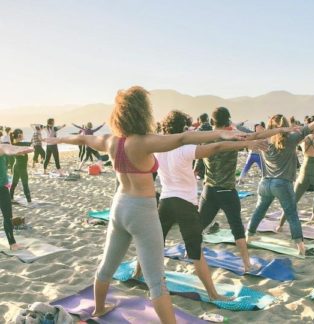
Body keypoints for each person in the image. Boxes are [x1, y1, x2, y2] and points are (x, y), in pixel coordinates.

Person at [45, 86, 250, 322]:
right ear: (143, 113)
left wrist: (58, 138)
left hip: (119, 206)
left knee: (106, 266)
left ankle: (99, 309)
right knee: (156, 281)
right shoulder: (144, 142)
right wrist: (220, 134)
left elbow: (81, 138)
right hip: (142, 210)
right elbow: (183, 138)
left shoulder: (110, 141)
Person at [135, 110, 267, 300]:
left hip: (165, 201)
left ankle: (137, 274)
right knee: (195, 252)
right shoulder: (186, 149)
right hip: (185, 204)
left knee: (154, 244)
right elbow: (217, 147)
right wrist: (247, 143)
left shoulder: (158, 149)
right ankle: (213, 294)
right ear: (183, 129)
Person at [198, 107, 299, 269]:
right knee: (237, 230)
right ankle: (246, 264)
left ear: (212, 122)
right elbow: (258, 135)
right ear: (228, 121)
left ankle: (189, 254)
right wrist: (282, 129)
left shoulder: (205, 138)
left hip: (209, 190)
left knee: (198, 227)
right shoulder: (234, 137)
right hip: (227, 191)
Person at [246, 113, 314, 255]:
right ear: (286, 127)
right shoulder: (290, 139)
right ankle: (301, 247)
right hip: (282, 183)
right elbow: (308, 128)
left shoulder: (264, 140)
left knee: (259, 211)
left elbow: (249, 136)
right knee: (292, 214)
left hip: (265, 183)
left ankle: (248, 237)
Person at [276, 114, 314, 229]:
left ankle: (280, 225)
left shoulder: (303, 139)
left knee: (292, 200)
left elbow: (292, 134)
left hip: (304, 172)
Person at [0, 143, 33, 250]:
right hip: (2, 188)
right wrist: (18, 150)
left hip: (3, 187)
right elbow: (8, 149)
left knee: (8, 216)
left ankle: (12, 244)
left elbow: (9, 148)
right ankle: (12, 244)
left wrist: (20, 149)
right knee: (7, 216)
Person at [9, 129, 33, 203]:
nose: (23, 135)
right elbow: (31, 144)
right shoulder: (21, 144)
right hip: (21, 167)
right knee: (25, 184)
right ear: (19, 135)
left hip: (16, 166)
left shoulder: (14, 144)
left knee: (14, 183)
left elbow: (30, 143)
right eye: (22, 134)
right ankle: (29, 201)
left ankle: (10, 197)